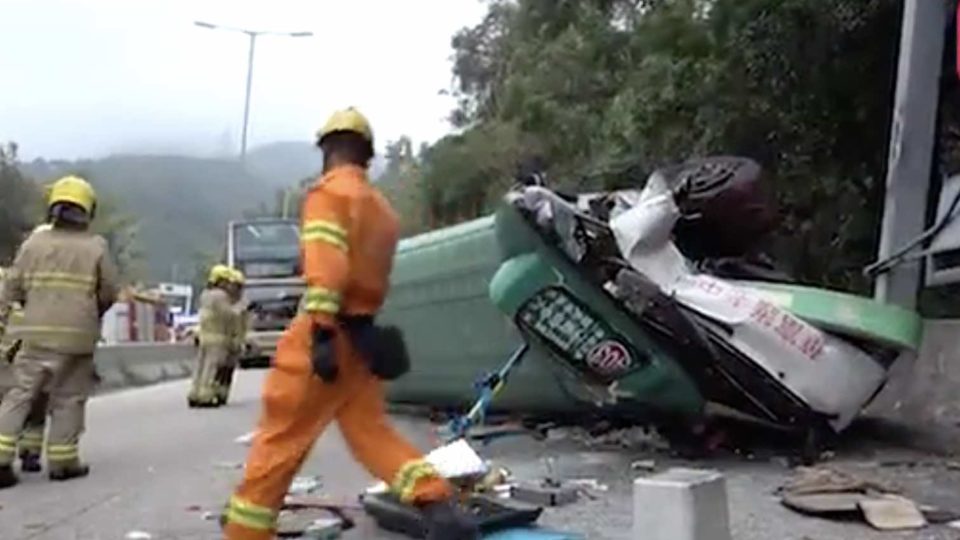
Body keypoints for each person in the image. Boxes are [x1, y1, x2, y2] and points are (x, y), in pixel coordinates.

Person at [222, 108, 479, 540]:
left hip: (326, 334)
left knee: (280, 438)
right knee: (371, 433)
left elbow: (329, 267)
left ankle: (245, 533)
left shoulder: (328, 195)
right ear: (367, 155)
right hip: (363, 338)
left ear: (327, 150)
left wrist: (322, 331)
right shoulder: (381, 210)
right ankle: (436, 503)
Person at [0, 176, 118, 487]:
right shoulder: (96, 247)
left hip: (35, 334)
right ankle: (64, 463)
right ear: (87, 209)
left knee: (20, 394)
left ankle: (0, 460)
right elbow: (108, 292)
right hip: (78, 338)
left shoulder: (33, 244)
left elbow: (12, 288)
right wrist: (91, 314)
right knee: (69, 397)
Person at [0, 265, 48, 474]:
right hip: (27, 354)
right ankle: (29, 451)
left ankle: (25, 451)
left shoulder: (12, 279)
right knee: (34, 404)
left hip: (13, 353)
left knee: (16, 403)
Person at [189, 264, 237, 408]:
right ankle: (206, 397)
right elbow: (227, 315)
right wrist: (240, 310)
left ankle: (195, 394)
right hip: (217, 337)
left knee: (201, 367)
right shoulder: (220, 296)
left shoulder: (205, 294)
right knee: (211, 368)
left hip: (204, 336)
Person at [215, 268, 247, 406]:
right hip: (222, 338)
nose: (235, 289)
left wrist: (241, 340)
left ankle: (223, 392)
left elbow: (243, 324)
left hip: (234, 338)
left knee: (229, 368)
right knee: (219, 367)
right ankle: (216, 391)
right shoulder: (222, 299)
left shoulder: (242, 303)